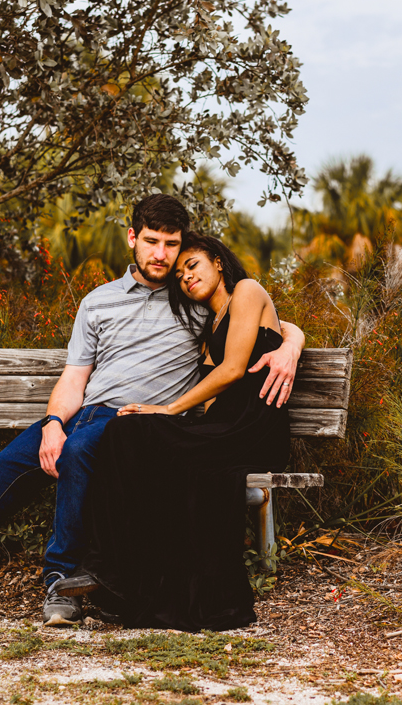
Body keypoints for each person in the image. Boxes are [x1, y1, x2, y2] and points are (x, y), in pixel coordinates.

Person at [0, 195, 304, 627]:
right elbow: (75, 377)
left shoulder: (193, 298)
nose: (162, 255)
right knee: (0, 470)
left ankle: (60, 582)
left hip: (132, 426)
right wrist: (53, 423)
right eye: (152, 241)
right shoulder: (98, 302)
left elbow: (263, 321)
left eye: (172, 245)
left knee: (80, 453)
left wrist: (292, 344)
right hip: (82, 414)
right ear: (133, 239)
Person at [52, 232, 291, 632]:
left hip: (252, 426)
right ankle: (114, 572)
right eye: (179, 275)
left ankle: (109, 567)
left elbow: (234, 370)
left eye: (192, 266)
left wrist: (168, 410)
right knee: (126, 432)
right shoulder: (207, 322)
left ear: (217, 261)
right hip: (220, 427)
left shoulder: (247, 291)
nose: (186, 278)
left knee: (140, 431)